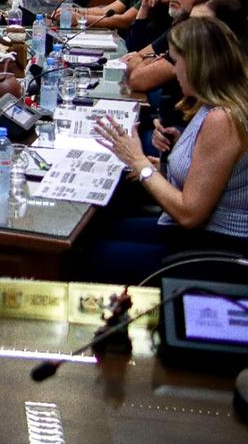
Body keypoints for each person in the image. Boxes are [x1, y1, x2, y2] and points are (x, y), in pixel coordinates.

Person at [90, 17, 248, 280]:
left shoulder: (223, 119)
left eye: (176, 62)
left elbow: (189, 214)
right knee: (99, 227)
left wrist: (138, 162)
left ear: (197, 64)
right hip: (198, 236)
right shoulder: (216, 104)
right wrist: (172, 155)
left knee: (93, 254)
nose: (174, 72)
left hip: (217, 248)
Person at [125, 0, 224, 93]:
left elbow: (138, 80)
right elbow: (134, 57)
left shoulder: (198, 34)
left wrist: (148, 60)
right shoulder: (181, 23)